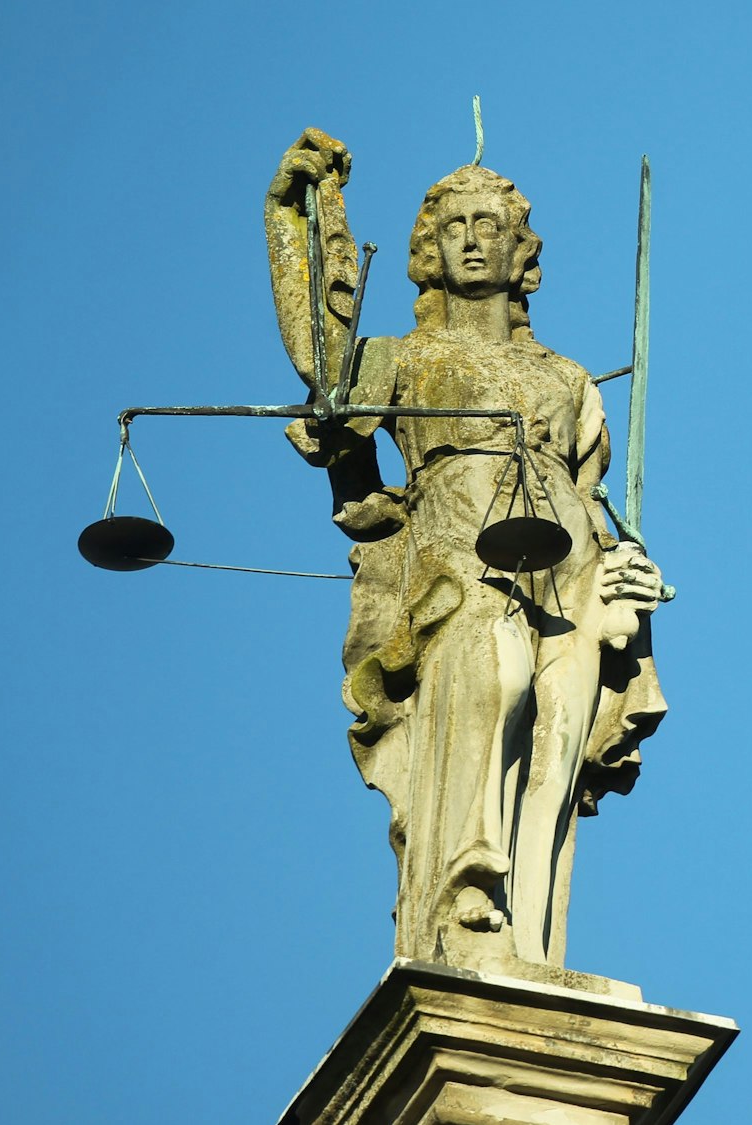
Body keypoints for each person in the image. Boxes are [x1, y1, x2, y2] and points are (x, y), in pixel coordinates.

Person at [266, 128, 667, 971]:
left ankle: (531, 943)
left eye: (493, 225)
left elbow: (590, 498)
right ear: (428, 250)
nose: (475, 239)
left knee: (555, 744)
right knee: (496, 670)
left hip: (567, 564)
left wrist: (627, 569)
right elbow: (327, 364)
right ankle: (463, 879)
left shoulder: (567, 377)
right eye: (456, 227)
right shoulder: (406, 358)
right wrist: (306, 218)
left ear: (522, 251)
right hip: (460, 551)